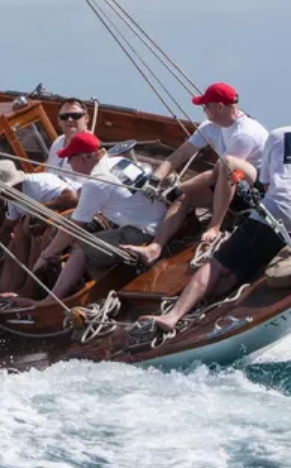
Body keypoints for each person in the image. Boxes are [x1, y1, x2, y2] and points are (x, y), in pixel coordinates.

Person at [139, 126, 291, 333]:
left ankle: (172, 316)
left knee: (217, 265)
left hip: (278, 209)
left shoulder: (279, 134)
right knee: (246, 267)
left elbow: (266, 184)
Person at [123, 82, 269, 265]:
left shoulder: (245, 134)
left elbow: (218, 174)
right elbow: (181, 154)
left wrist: (175, 189)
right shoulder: (211, 127)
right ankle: (155, 248)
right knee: (184, 199)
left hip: (255, 189)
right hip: (230, 182)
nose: (203, 110)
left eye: (205, 106)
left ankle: (214, 226)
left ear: (219, 106)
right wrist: (155, 179)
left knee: (228, 164)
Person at [32, 132, 167, 299]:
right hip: (163, 219)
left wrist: (45, 255)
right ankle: (115, 290)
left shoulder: (95, 183)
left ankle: (51, 301)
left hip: (145, 231)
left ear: (83, 158)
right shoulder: (119, 160)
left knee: (82, 248)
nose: (68, 164)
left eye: (69, 159)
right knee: (94, 252)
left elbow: (72, 229)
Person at [0, 160, 78, 297]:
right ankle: (9, 289)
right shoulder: (12, 195)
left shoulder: (38, 183)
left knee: (33, 235)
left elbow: (72, 198)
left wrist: (38, 211)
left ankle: (30, 288)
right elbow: (8, 225)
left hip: (71, 215)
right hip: (44, 224)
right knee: (16, 240)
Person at [46, 98, 91, 189]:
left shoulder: (91, 148)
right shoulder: (57, 142)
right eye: (64, 116)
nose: (70, 119)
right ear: (59, 121)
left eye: (75, 115)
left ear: (86, 118)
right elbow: (48, 171)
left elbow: (83, 189)